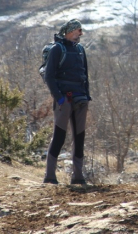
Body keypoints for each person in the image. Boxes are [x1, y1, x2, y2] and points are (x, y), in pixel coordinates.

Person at [43, 19, 91, 185]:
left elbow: (85, 75)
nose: (80, 33)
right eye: (78, 30)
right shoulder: (58, 49)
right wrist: (60, 99)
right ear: (70, 31)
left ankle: (78, 178)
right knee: (59, 137)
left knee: (79, 138)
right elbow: (49, 76)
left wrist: (87, 96)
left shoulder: (80, 50)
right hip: (65, 100)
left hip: (81, 100)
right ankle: (50, 177)